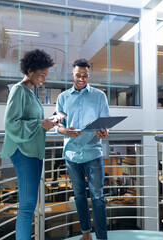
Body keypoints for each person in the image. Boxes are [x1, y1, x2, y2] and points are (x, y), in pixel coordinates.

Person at [0, 49, 63, 240]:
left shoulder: (30, 93)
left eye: (46, 75)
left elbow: (33, 122)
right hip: (23, 152)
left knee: (30, 204)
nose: (44, 79)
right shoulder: (18, 90)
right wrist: (40, 123)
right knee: (27, 207)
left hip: (33, 152)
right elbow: (11, 123)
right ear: (29, 70)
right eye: (42, 74)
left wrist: (48, 122)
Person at [55, 59, 110, 240]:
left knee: (97, 197)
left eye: (85, 75)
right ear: (72, 74)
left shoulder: (99, 96)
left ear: (89, 75)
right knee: (79, 196)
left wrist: (104, 131)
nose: (81, 78)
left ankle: (102, 237)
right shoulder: (63, 98)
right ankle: (86, 233)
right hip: (72, 153)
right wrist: (66, 131)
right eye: (78, 75)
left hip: (93, 152)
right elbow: (58, 125)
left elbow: (106, 122)